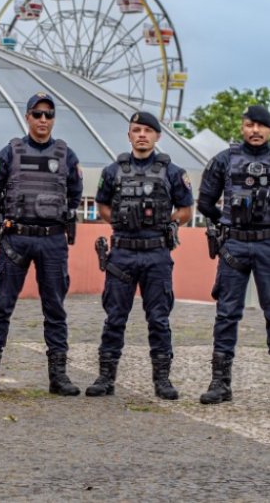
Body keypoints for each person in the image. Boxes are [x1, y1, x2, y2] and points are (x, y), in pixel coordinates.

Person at [0, 92, 83, 396]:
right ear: (27, 117)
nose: (43, 120)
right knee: (2, 306)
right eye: (37, 114)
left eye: (49, 115)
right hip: (16, 239)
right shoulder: (9, 153)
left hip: (52, 239)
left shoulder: (67, 155)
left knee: (55, 309)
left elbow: (74, 196)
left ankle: (58, 376)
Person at [86, 111, 193, 400]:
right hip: (122, 253)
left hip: (156, 253)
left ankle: (162, 381)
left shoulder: (172, 171)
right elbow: (102, 206)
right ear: (129, 135)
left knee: (159, 319)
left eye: (148, 130)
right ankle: (105, 378)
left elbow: (186, 211)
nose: (142, 135)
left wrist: (167, 224)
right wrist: (121, 222)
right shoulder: (113, 170)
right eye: (136, 130)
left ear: (157, 136)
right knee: (115, 317)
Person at [197, 105, 270, 404]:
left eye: (261, 126)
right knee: (227, 314)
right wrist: (226, 222)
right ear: (242, 127)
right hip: (234, 246)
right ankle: (220, 384)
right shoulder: (224, 160)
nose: (255, 131)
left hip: (268, 244)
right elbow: (205, 202)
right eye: (250, 124)